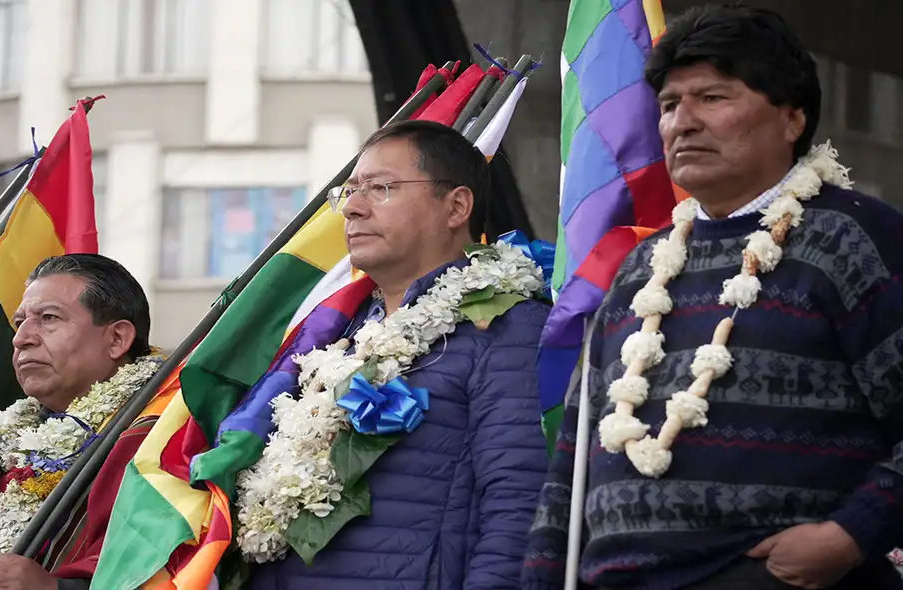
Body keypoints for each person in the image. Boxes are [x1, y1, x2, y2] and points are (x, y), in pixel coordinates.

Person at [522, 6, 903, 590]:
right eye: (671, 105)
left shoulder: (851, 237)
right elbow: (569, 471)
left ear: (791, 117)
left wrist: (850, 536)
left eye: (714, 98)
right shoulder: (637, 270)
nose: (684, 123)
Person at [217, 120, 551, 589]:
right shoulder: (335, 336)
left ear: (456, 206)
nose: (352, 209)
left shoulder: (506, 327)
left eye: (380, 188)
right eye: (350, 191)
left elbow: (519, 501)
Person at [0, 254, 165, 590]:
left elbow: (174, 568)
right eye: (19, 322)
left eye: (49, 318)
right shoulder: (5, 444)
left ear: (116, 340)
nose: (21, 338)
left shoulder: (158, 435)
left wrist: (55, 589)